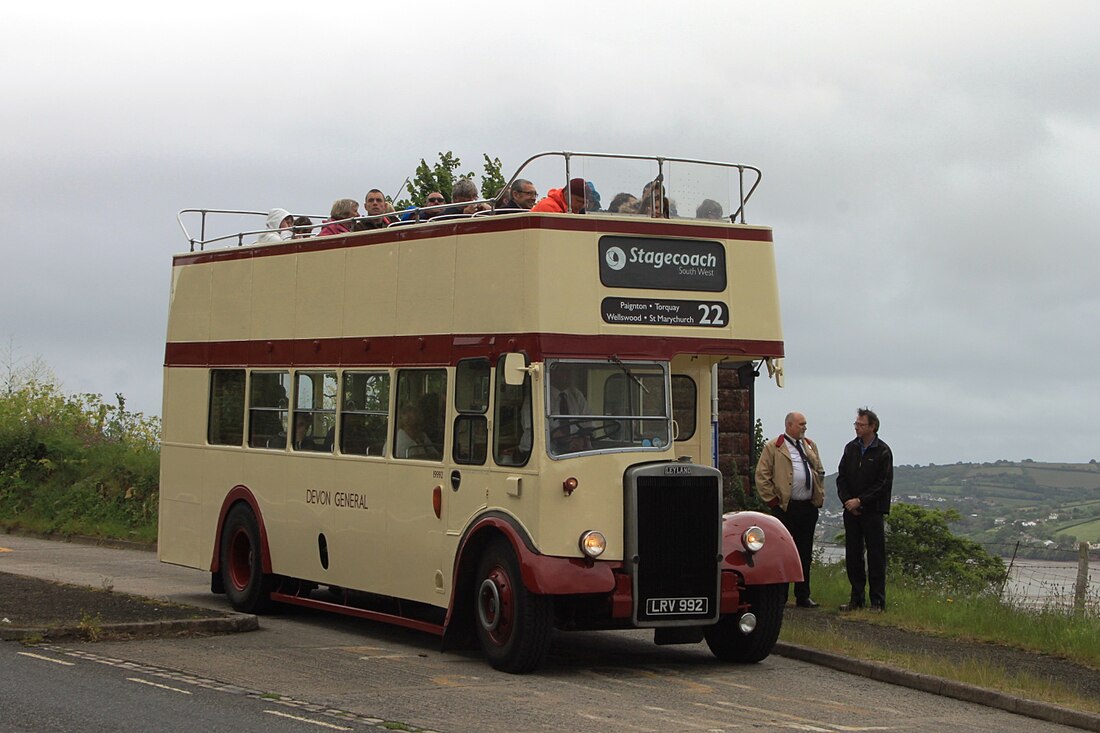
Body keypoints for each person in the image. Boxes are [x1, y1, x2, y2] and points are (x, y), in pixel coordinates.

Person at [755, 412, 825, 608]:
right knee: (783, 552)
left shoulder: (809, 445)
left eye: (805, 424)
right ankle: (782, 595)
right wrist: (773, 501)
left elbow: (819, 470)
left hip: (807, 506)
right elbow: (762, 475)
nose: (804, 427)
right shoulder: (774, 447)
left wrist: (819, 494)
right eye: (801, 424)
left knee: (805, 552)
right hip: (786, 507)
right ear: (789, 425)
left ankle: (803, 594)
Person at [836, 407, 894, 612]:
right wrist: (847, 501)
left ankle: (877, 601)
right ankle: (856, 598)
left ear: (873, 426)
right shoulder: (850, 448)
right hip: (851, 511)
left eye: (861, 425)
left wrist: (861, 501)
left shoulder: (883, 451)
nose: (857, 428)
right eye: (856, 424)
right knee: (853, 555)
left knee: (876, 556)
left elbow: (883, 483)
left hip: (873, 511)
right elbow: (841, 477)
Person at [548, 363, 591, 453]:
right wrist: (565, 439)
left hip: (575, 447)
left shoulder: (576, 394)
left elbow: (587, 422)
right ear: (552, 374)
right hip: (546, 449)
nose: (567, 375)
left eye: (569, 371)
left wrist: (581, 438)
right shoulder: (541, 395)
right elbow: (532, 427)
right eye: (563, 371)